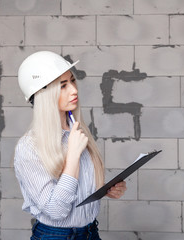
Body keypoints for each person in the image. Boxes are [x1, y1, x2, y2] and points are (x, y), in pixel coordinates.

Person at [14, 51, 127, 240]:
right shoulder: (29, 147)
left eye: (72, 81)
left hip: (90, 233)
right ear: (43, 94)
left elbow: (80, 191)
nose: (74, 90)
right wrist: (73, 156)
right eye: (63, 85)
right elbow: (56, 210)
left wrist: (107, 189)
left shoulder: (76, 131)